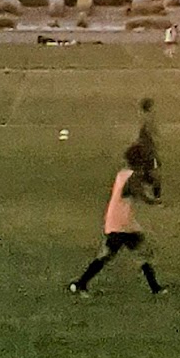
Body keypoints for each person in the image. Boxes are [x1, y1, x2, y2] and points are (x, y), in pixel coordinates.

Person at [69, 143, 166, 297]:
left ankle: (80, 284)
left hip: (119, 221)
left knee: (112, 254)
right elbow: (140, 194)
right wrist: (156, 200)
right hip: (122, 224)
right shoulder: (132, 177)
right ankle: (80, 284)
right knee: (138, 253)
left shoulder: (123, 173)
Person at [131, 97, 163, 198]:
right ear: (150, 108)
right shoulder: (148, 120)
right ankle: (155, 196)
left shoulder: (144, 118)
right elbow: (151, 133)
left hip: (145, 149)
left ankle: (142, 189)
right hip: (148, 150)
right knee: (155, 173)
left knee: (148, 171)